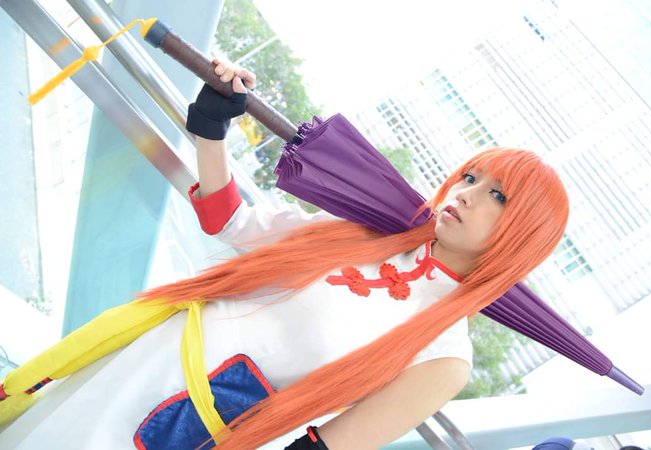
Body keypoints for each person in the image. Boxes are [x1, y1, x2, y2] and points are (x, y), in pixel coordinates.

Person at [0, 59, 569, 450]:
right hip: (133, 348)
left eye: (498, 195)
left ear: (524, 234)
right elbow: (232, 222)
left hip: (174, 426)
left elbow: (321, 449)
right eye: (470, 176)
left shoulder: (445, 354)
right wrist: (211, 127)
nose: (466, 193)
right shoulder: (366, 232)